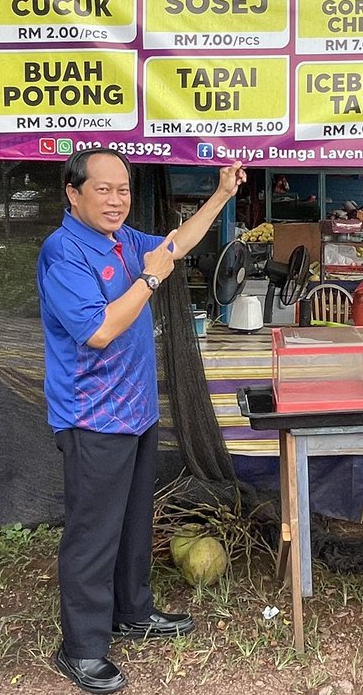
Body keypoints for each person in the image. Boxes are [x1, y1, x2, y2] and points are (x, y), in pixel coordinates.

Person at [37, 148, 245, 693]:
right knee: (92, 533)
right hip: (92, 416)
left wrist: (221, 194)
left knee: (132, 523)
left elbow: (174, 247)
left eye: (123, 189)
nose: (116, 199)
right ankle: (81, 649)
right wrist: (150, 281)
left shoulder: (123, 241)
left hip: (134, 410)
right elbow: (99, 330)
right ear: (73, 193)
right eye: (102, 189)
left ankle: (132, 612)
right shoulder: (64, 253)